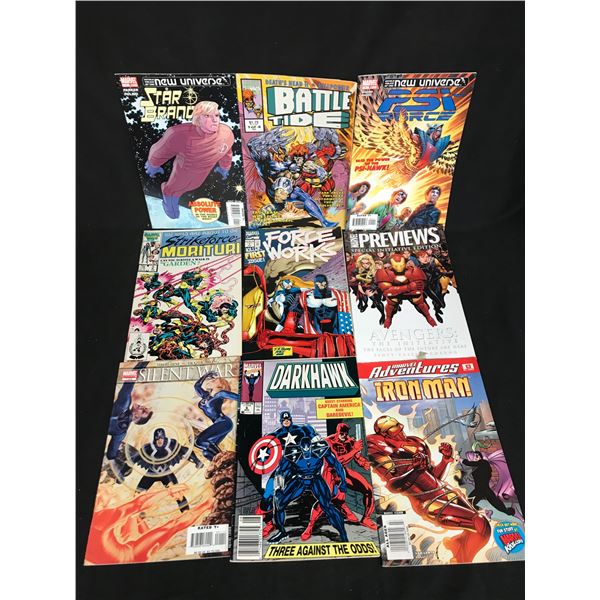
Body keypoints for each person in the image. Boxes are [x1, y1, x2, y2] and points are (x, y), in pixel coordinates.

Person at [367, 415, 491, 563]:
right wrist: (415, 470)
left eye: (400, 428)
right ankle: (462, 560)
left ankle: (458, 548)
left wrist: (445, 459)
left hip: (447, 491)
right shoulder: (382, 452)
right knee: (480, 524)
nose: (401, 432)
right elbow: (394, 486)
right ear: (385, 435)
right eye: (395, 431)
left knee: (478, 528)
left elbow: (434, 476)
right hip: (428, 503)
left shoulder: (416, 443)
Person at [145, 100, 234, 219]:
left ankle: (175, 192)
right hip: (182, 173)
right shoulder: (180, 134)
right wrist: (153, 164)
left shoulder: (226, 133)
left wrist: (225, 167)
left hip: (201, 174)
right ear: (198, 118)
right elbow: (160, 150)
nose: (215, 120)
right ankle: (167, 193)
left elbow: (227, 152)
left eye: (217, 115)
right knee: (174, 191)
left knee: (193, 185)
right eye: (207, 116)